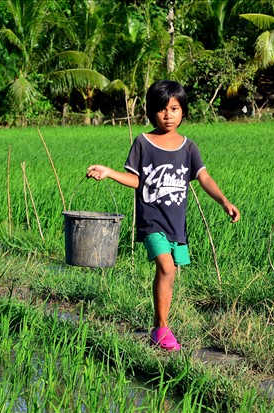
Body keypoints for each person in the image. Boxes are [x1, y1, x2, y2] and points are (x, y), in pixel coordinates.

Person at [86, 80, 240, 351]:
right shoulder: (143, 143)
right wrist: (109, 172)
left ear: (183, 111)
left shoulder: (188, 147)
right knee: (166, 267)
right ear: (150, 112)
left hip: (176, 224)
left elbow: (203, 178)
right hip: (151, 220)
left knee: (169, 273)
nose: (168, 115)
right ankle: (161, 328)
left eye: (174, 108)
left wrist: (224, 201)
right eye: (161, 109)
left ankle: (160, 326)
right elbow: (136, 180)